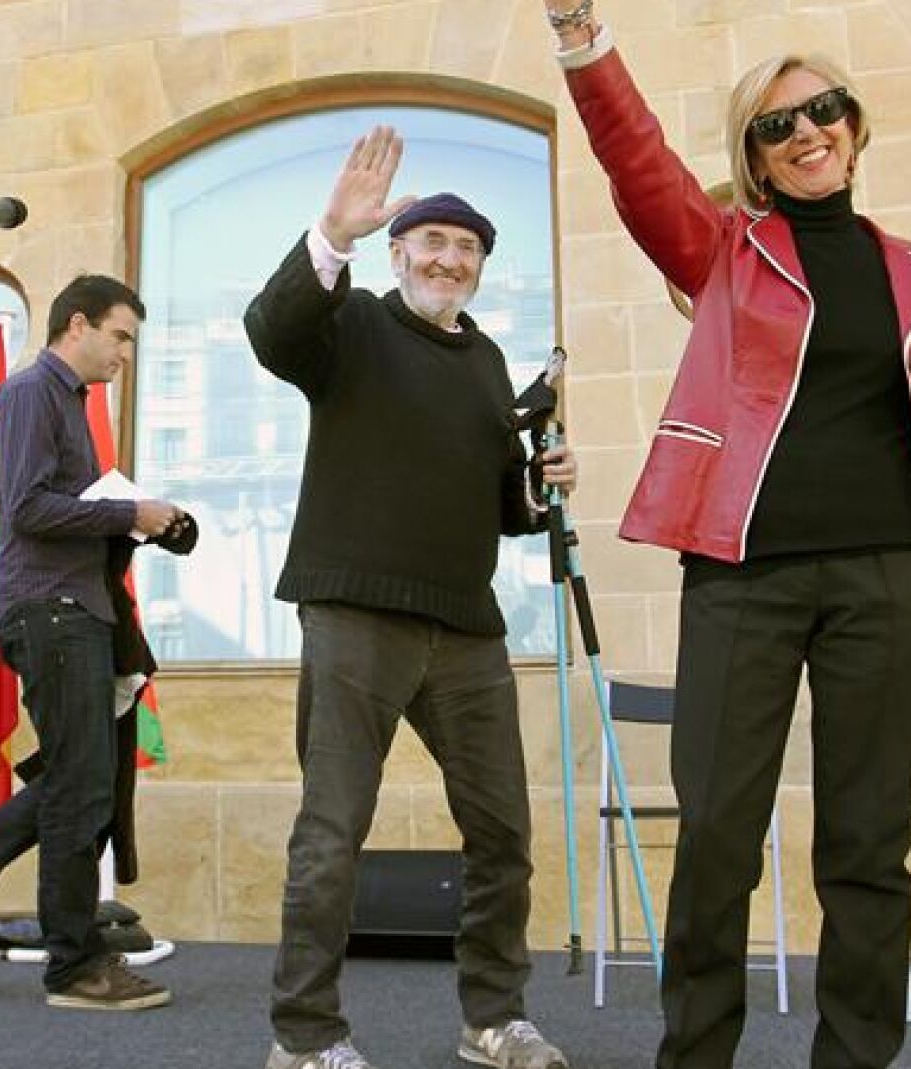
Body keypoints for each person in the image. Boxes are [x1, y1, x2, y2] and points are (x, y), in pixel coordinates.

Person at [540, 4, 911, 1068]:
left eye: (823, 110)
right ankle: (696, 1055)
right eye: (777, 126)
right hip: (743, 575)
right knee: (719, 836)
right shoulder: (723, 248)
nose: (807, 131)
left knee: (868, 845)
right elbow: (639, 168)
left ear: (855, 128)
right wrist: (583, 38)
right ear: (756, 162)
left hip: (891, 580)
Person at [244, 127, 579, 1069]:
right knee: (334, 830)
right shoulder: (349, 323)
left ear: (478, 270)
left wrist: (541, 479)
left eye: (466, 249)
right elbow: (272, 333)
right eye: (431, 243)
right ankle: (304, 1039)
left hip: (465, 624)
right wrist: (330, 236)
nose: (448, 258)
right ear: (398, 254)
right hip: (355, 611)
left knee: (503, 829)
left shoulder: (486, 363)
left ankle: (491, 1019)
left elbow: (501, 503)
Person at [0, 274, 189, 1012]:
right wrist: (131, 508)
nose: (125, 353)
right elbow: (28, 506)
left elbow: (63, 510)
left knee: (76, 778)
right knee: (83, 783)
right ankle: (72, 965)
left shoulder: (64, 401)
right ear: (76, 324)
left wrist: (143, 524)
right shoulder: (32, 393)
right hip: (51, 610)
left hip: (74, 607)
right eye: (119, 335)